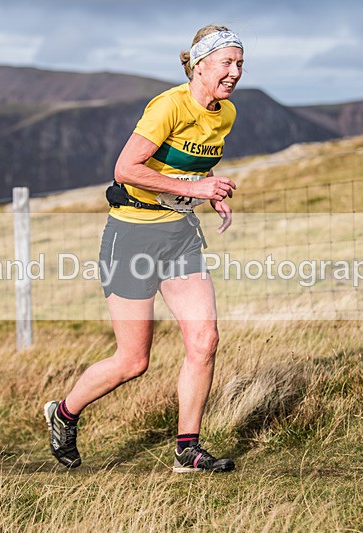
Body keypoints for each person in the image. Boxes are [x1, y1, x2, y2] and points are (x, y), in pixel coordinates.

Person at [44, 24, 244, 473]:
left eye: (240, 64)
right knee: (133, 361)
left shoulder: (224, 114)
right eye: (227, 62)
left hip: (180, 235)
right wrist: (200, 187)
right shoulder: (167, 107)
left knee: (205, 340)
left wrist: (207, 194)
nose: (234, 72)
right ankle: (63, 413)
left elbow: (187, 172)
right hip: (131, 236)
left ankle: (187, 451)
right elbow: (126, 168)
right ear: (199, 64)